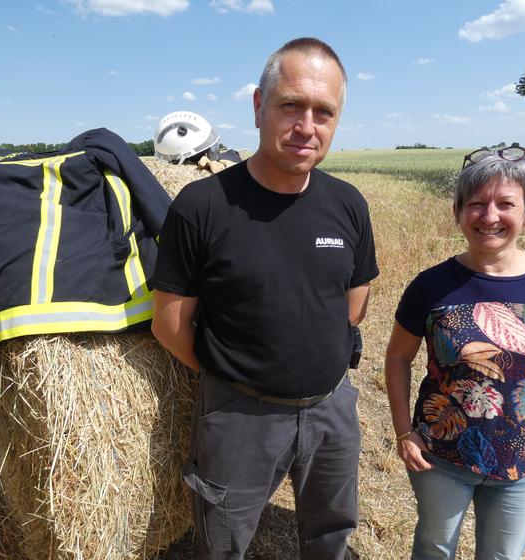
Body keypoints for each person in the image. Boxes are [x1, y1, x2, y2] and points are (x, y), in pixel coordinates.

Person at [151, 37, 379, 559]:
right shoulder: (203, 205)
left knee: (331, 534)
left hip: (331, 408)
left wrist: (314, 366)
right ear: (258, 105)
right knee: (224, 543)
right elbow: (169, 324)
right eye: (290, 105)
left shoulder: (347, 204)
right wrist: (237, 380)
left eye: (324, 112)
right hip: (239, 418)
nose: (306, 126)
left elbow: (354, 303)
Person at [384, 148, 525, 560]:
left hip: (524, 458)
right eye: (476, 203)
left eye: (506, 204)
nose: (489, 216)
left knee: (503, 555)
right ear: (458, 211)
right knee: (435, 548)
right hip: (440, 455)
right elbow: (397, 358)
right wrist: (404, 432)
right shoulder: (431, 285)